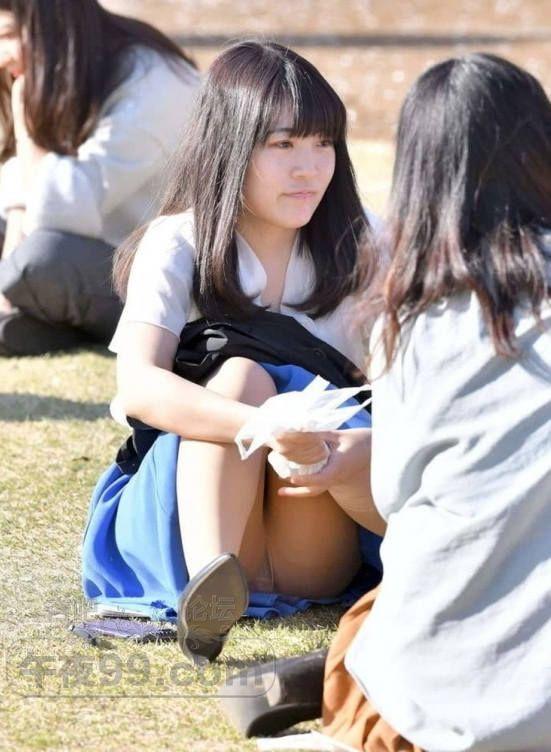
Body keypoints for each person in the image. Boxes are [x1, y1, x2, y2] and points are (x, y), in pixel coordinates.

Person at [220, 53, 551, 751]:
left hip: (434, 705)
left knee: (389, 612)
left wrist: (354, 456)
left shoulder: (419, 319)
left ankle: (337, 678)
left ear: (418, 177)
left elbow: (398, 501)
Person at [81, 40, 386, 666]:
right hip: (193, 517)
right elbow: (139, 386)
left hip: (314, 525)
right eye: (282, 144)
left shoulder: (363, 242)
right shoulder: (179, 242)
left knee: (322, 410)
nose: (309, 168)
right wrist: (263, 426)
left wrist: (317, 441)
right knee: (243, 377)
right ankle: (208, 595)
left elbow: (402, 388)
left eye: (323, 143)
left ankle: (225, 585)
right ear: (229, 146)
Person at [0, 0, 199, 355]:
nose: (2, 58)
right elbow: (20, 192)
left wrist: (27, 131)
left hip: (164, 279)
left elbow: (63, 206)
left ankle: (32, 319)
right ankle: (31, 324)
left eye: (8, 35)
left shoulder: (152, 82)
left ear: (54, 26)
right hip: (94, 253)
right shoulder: (76, 73)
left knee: (43, 258)